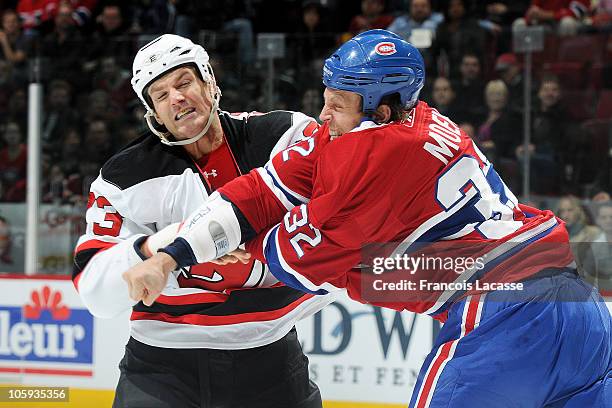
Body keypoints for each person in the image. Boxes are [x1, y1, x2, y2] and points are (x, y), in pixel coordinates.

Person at [125, 29, 612, 407]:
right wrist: (172, 256)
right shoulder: (401, 121)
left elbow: (297, 262)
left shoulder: (373, 158)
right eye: (326, 96)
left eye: (337, 104)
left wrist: (224, 255)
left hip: (507, 319)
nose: (323, 114)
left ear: (378, 112)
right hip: (580, 307)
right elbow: (262, 190)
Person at [72, 34, 332, 408]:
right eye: (161, 95)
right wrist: (159, 247)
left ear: (209, 82)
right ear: (153, 114)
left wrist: (264, 242)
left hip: (271, 355)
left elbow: (340, 217)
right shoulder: (125, 177)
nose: (176, 98)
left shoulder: (283, 137)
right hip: (161, 367)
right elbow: (95, 292)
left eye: (183, 83)